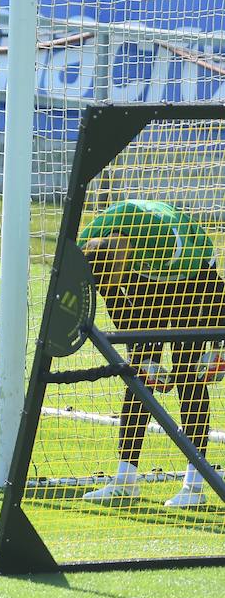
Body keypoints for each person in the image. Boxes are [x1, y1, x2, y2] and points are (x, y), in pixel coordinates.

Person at [78, 199, 223, 508]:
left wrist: (218, 345)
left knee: (189, 374)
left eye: (114, 281)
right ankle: (125, 480)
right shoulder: (85, 249)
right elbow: (112, 295)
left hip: (192, 276)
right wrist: (143, 358)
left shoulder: (171, 244)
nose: (113, 288)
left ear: (121, 262)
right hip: (147, 273)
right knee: (136, 376)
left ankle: (195, 486)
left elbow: (214, 286)